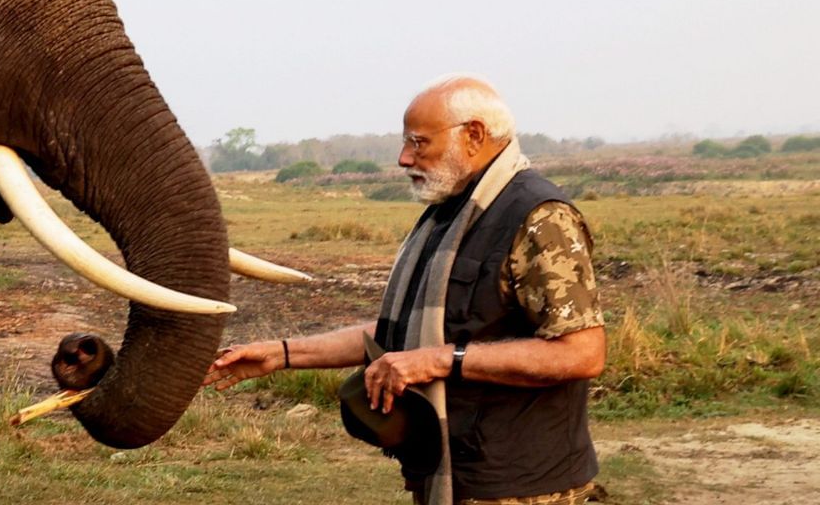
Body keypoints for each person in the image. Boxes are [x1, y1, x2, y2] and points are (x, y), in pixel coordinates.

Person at [204, 74, 606, 505]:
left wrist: (439, 360)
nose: (403, 158)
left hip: (523, 486)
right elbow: (402, 333)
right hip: (452, 472)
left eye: (419, 142)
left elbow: (581, 352)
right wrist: (281, 354)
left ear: (474, 135)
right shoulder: (450, 214)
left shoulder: (539, 217)